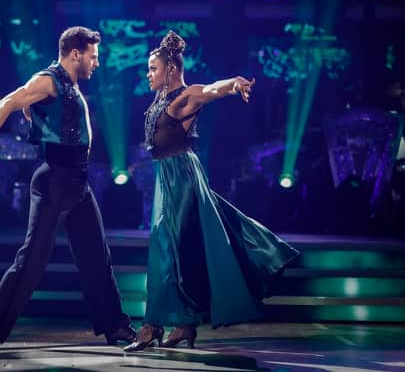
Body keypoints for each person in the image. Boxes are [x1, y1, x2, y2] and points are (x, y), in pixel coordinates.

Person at [124, 31, 300, 351]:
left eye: (153, 68)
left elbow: (210, 90)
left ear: (172, 70)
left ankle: (153, 326)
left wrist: (233, 85)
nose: (148, 74)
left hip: (181, 176)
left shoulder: (184, 96)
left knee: (167, 250)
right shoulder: (162, 98)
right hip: (168, 175)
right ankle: (180, 325)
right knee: (171, 250)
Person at [0, 26, 136, 348]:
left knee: (96, 257)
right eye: (93, 57)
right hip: (55, 180)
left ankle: (116, 327)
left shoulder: (71, 86)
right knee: (32, 260)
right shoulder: (47, 80)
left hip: (78, 183)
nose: (96, 63)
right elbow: (4, 103)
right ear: (76, 54)